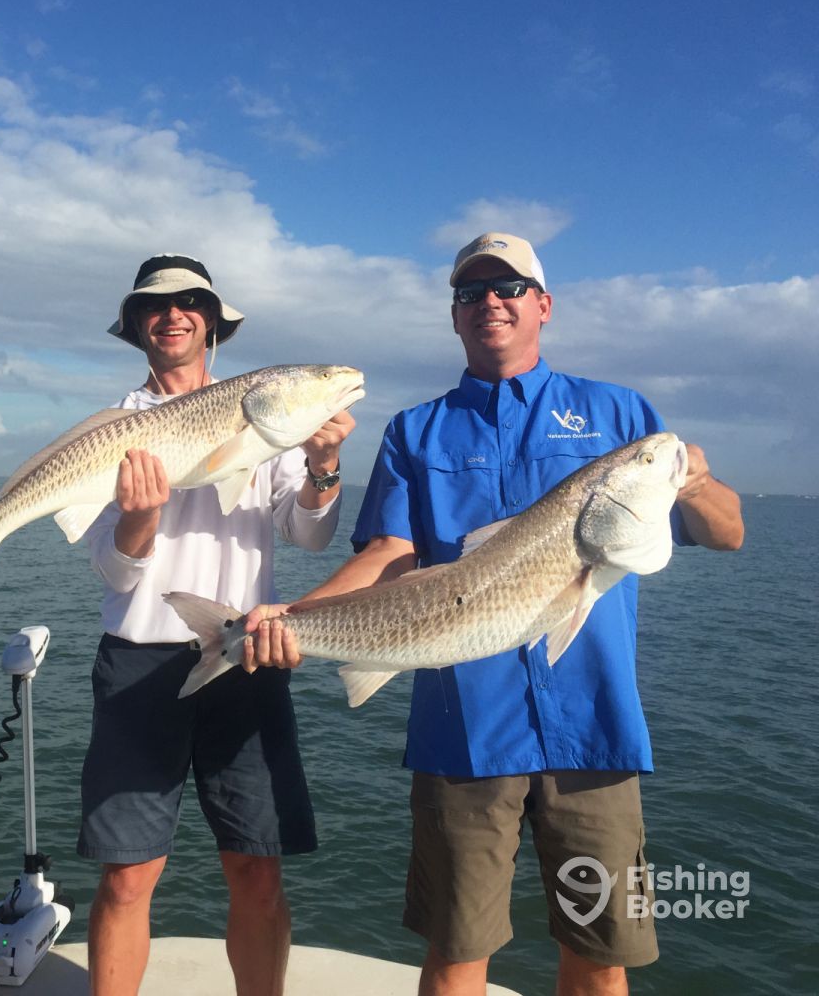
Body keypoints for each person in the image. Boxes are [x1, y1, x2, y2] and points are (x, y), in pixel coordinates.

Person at [245, 232, 744, 996]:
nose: (491, 302)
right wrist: (292, 615)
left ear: (544, 305)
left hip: (594, 732)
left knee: (599, 958)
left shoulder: (620, 416)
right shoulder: (417, 430)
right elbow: (389, 553)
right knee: (455, 954)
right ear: (455, 317)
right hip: (463, 729)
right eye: (471, 293)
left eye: (509, 287)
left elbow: (727, 531)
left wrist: (695, 481)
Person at [78, 254, 356, 996]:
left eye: (192, 302)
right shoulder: (113, 429)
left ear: (212, 322)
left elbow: (309, 535)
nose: (175, 314)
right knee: (128, 877)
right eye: (157, 306)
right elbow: (114, 568)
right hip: (138, 663)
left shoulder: (266, 415)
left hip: (246, 660)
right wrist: (140, 514)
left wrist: (324, 466)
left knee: (256, 870)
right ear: (138, 325)